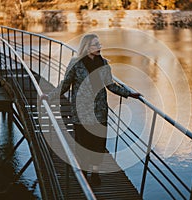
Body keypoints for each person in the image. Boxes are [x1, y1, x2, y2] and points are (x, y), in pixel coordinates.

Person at [41, 33, 141, 186]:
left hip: (100, 113)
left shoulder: (104, 64)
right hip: (81, 112)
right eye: (95, 44)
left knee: (98, 145)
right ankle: (84, 172)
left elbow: (111, 85)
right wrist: (50, 96)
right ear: (86, 47)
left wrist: (129, 93)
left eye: (99, 44)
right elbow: (65, 84)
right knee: (83, 145)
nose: (99, 47)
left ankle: (94, 173)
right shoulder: (76, 63)